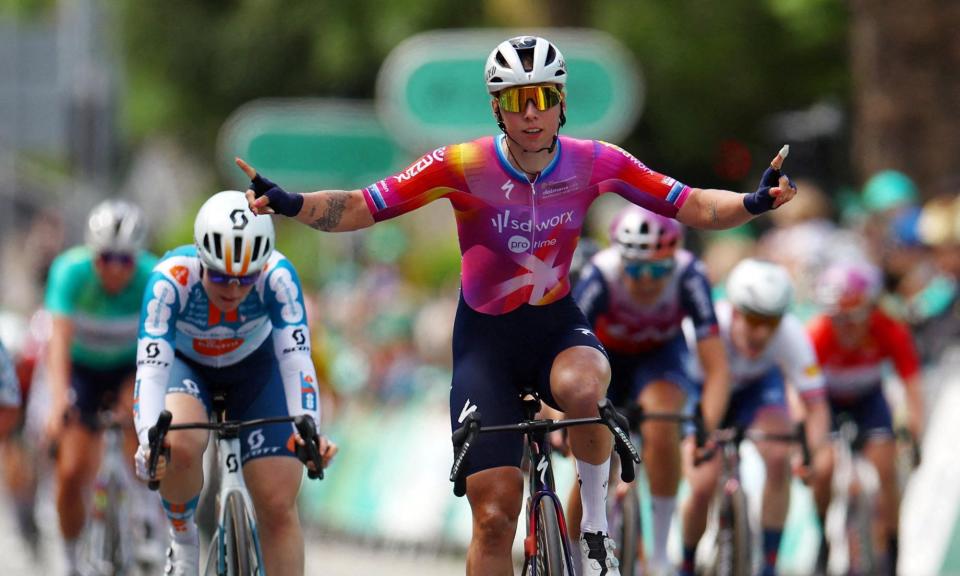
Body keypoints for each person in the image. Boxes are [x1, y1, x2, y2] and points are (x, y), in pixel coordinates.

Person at [237, 35, 799, 576]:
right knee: (493, 518)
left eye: (543, 99)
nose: (531, 114)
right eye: (515, 101)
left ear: (561, 105)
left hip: (555, 328)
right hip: (486, 347)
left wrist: (754, 201)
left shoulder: (595, 160)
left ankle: (597, 529)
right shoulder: (460, 164)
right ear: (497, 110)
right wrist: (289, 203)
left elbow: (693, 205)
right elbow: (362, 207)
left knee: (586, 387)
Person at [132, 191, 337, 576]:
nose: (233, 289)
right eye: (221, 275)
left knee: (277, 503)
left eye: (246, 278)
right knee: (179, 443)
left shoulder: (279, 276)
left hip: (256, 371)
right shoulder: (170, 279)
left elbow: (296, 361)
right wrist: (149, 440)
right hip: (188, 367)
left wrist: (309, 428)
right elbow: (152, 369)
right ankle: (183, 542)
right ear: (200, 259)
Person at [566, 205, 729, 575]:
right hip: (604, 360)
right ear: (619, 257)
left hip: (660, 359)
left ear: (674, 258)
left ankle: (659, 551)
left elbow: (717, 368)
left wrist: (705, 425)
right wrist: (561, 417)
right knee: (596, 456)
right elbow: (567, 355)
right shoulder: (600, 275)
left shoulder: (690, 275)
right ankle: (572, 554)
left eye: (657, 269)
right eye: (636, 268)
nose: (646, 280)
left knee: (662, 421)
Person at [680, 259, 830, 576]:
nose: (761, 332)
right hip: (702, 389)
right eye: (752, 319)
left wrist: (808, 454)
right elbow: (677, 388)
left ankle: (769, 564)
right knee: (703, 483)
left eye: (771, 322)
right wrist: (695, 437)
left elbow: (816, 407)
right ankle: (687, 562)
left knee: (778, 454)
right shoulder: (706, 327)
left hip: (756, 390)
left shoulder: (790, 333)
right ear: (734, 311)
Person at [43, 199, 158, 575]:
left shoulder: (153, 275)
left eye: (124, 260)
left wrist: (139, 391)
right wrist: (59, 399)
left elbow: (158, 345)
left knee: (143, 436)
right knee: (72, 470)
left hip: (131, 366)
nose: (113, 268)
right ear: (91, 254)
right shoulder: (70, 272)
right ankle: (70, 557)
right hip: (83, 370)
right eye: (105, 258)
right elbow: (58, 341)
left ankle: (145, 516)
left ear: (137, 259)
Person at [807, 261, 924, 574]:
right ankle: (823, 535)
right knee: (823, 469)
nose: (845, 327)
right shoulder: (816, 334)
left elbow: (911, 384)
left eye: (854, 317)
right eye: (837, 318)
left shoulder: (890, 329)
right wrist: (805, 441)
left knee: (885, 469)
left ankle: (894, 540)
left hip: (869, 399)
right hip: (826, 401)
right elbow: (799, 393)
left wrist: (915, 429)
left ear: (870, 309)